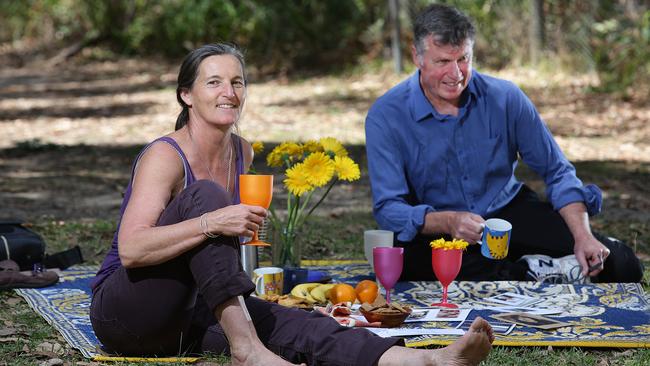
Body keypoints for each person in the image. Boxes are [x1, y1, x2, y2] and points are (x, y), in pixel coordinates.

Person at [90, 42, 494, 365]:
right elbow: (132, 250)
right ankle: (247, 351)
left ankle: (423, 362)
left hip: (189, 315)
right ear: (186, 95)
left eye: (237, 82)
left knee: (299, 323)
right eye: (213, 83)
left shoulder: (241, 152)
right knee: (207, 199)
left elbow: (220, 248)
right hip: (127, 314)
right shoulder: (165, 155)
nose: (229, 93)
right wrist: (211, 221)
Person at [365, 4, 643, 284]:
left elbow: (556, 171)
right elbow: (389, 208)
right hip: (438, 229)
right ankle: (527, 271)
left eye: (463, 59)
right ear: (417, 57)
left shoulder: (505, 98)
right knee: (410, 267)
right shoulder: (386, 116)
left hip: (509, 214)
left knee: (620, 264)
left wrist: (584, 237)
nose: (456, 73)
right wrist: (449, 221)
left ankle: (521, 272)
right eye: (442, 62)